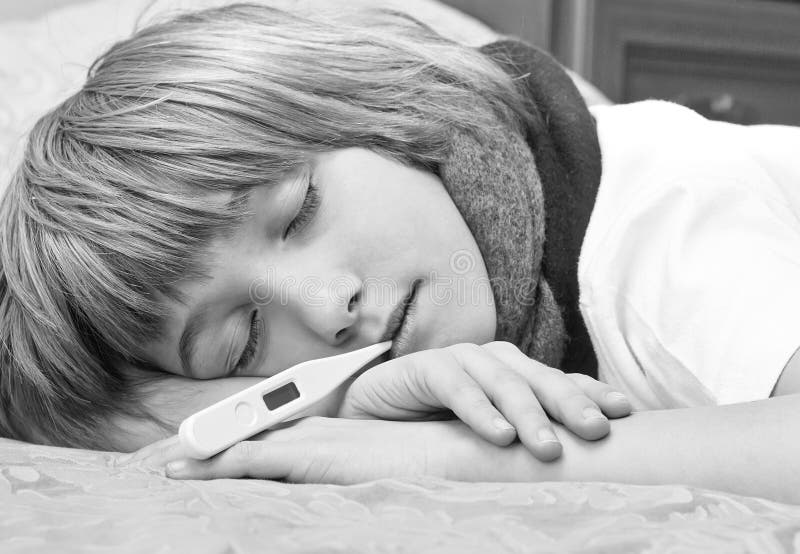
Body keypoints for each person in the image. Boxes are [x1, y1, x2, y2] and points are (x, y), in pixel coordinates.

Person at [2, 3, 800, 504]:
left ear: (387, 114)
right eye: (238, 341)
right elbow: (126, 426)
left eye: (299, 211)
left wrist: (443, 454)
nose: (327, 306)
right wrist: (340, 409)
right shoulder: (500, 273)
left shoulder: (652, 229)